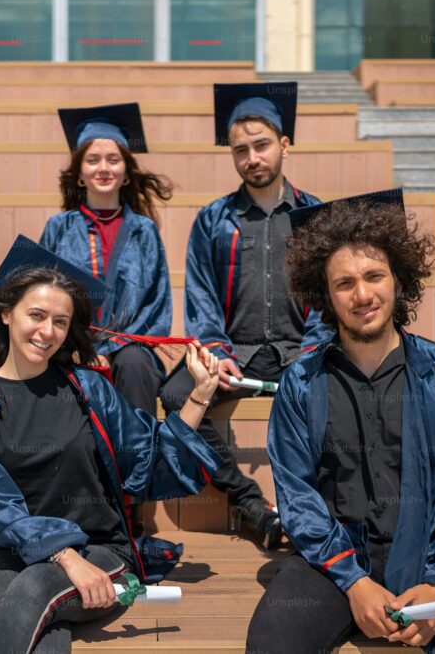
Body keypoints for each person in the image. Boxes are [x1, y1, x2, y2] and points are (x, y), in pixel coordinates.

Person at [245, 189, 435, 653]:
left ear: (398, 280)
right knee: (271, 643)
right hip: (334, 565)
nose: (363, 294)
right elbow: (297, 495)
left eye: (374, 276)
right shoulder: (302, 383)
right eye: (344, 283)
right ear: (325, 296)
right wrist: (354, 583)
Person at [0, 237, 222, 654]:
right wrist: (65, 558)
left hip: (99, 550)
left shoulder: (89, 389)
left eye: (60, 321)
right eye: (36, 315)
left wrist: (200, 395)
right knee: (43, 621)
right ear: (6, 314)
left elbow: (150, 462)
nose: (48, 332)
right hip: (11, 552)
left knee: (35, 589)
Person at [160, 82, 331, 550]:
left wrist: (311, 354)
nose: (252, 157)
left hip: (303, 352)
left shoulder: (315, 216)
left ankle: (317, 509)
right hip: (239, 355)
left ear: (284, 145)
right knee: (176, 394)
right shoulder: (213, 220)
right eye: (241, 150)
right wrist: (217, 353)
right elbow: (201, 298)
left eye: (261, 146)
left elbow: (330, 299)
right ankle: (251, 506)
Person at [40, 102, 173, 417]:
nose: (103, 168)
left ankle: (138, 462)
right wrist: (79, 346)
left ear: (126, 173)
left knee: (134, 363)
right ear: (80, 174)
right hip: (67, 343)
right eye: (93, 160)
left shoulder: (144, 231)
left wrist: (112, 349)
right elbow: (42, 295)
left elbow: (157, 304)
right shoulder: (59, 228)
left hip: (130, 348)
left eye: (113, 160)